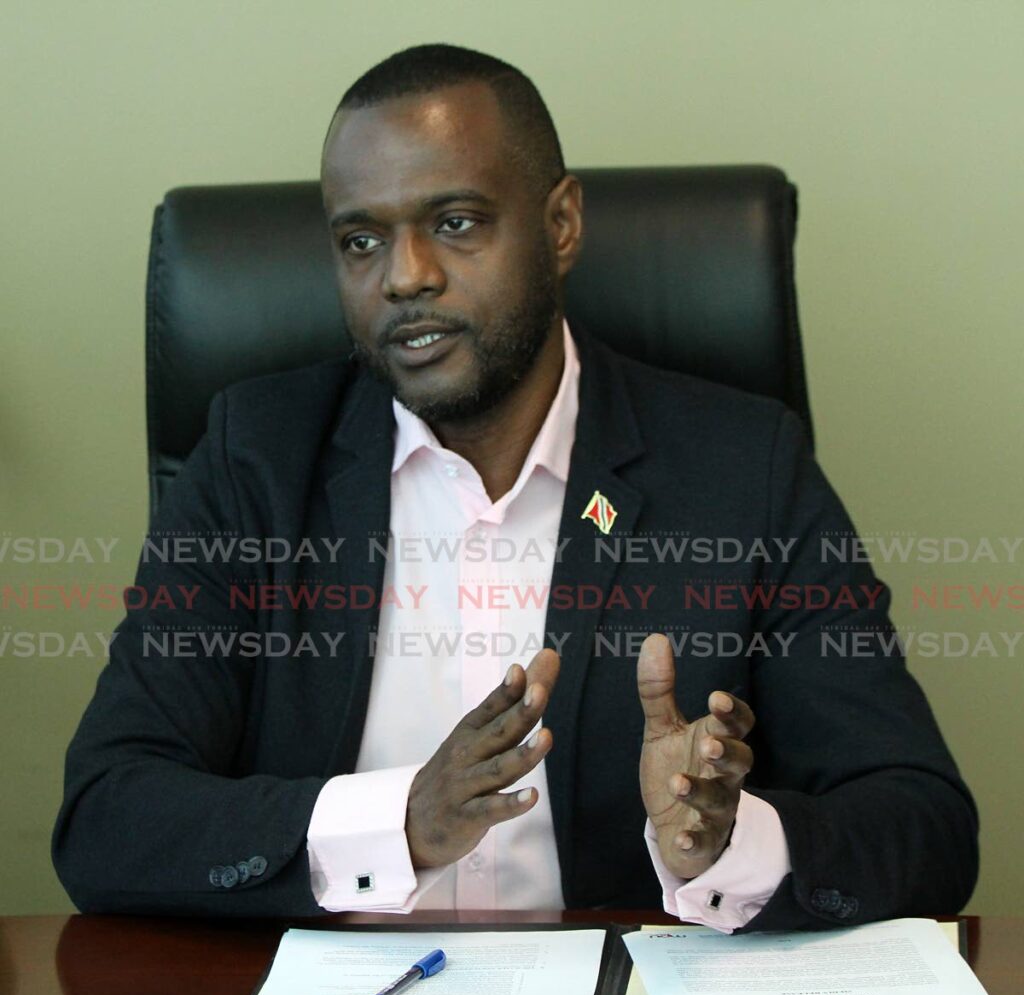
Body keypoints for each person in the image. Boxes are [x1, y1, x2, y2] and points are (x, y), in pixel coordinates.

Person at [52, 44, 977, 932]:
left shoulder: (742, 467)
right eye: (361, 239)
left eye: (455, 222)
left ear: (561, 224)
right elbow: (108, 817)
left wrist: (729, 844)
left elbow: (923, 823)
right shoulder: (254, 459)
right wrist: (396, 823)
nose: (405, 275)